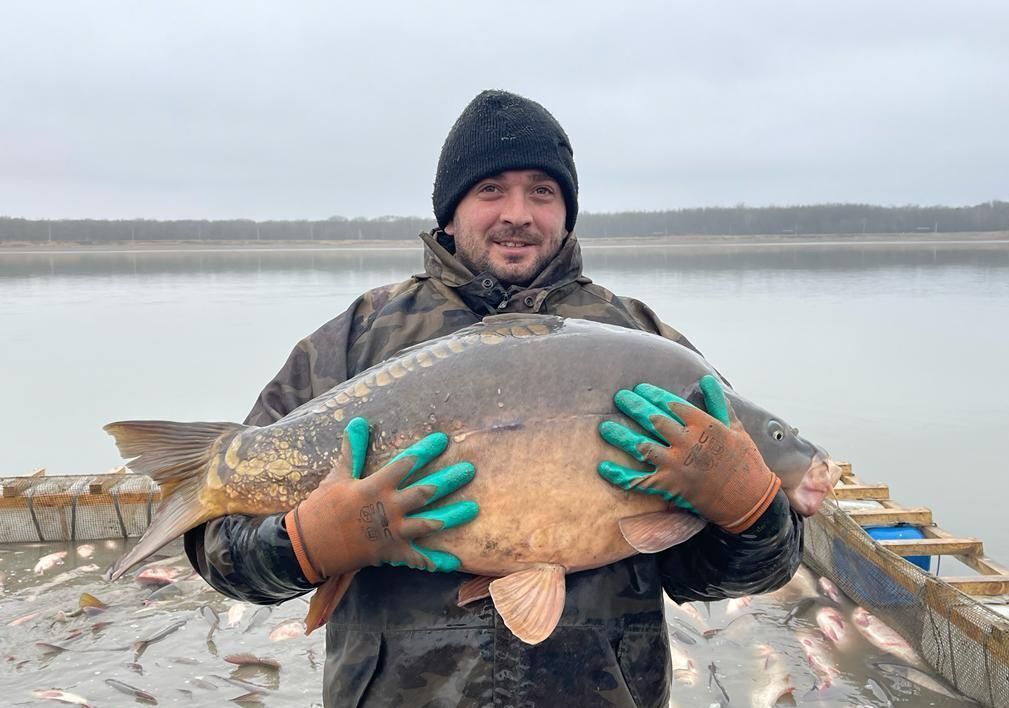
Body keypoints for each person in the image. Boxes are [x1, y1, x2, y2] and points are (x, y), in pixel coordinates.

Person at [184, 89, 802, 707]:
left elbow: (725, 575)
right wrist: (306, 544)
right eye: (490, 190)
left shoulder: (643, 342)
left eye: (541, 190)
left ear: (566, 211)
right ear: (450, 212)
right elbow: (221, 551)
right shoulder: (356, 341)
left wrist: (749, 512)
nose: (518, 213)